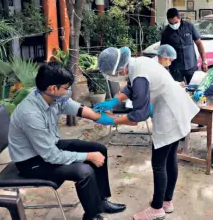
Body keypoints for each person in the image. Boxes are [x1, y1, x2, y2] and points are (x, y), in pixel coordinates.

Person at [8, 62, 126, 220]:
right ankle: (92, 216)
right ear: (53, 88)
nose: (69, 91)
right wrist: (87, 157)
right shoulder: (31, 114)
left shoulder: (54, 98)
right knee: (84, 171)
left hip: (47, 147)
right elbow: (51, 156)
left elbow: (85, 112)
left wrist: (120, 120)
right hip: (31, 162)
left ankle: (101, 202)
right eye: (66, 87)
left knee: (99, 149)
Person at [93, 47, 199, 220]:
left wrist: (111, 120)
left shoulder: (139, 75)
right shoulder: (138, 62)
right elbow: (131, 86)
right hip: (177, 108)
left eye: (116, 74)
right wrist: (114, 100)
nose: (118, 76)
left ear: (120, 69)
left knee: (159, 163)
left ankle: (157, 208)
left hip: (169, 114)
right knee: (170, 158)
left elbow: (138, 116)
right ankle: (167, 201)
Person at [161, 8, 207, 84]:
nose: (174, 25)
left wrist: (204, 61)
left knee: (194, 89)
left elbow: (199, 43)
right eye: (171, 23)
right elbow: (163, 50)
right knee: (178, 91)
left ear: (180, 18)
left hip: (191, 66)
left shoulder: (189, 26)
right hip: (176, 69)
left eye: (176, 22)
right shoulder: (166, 32)